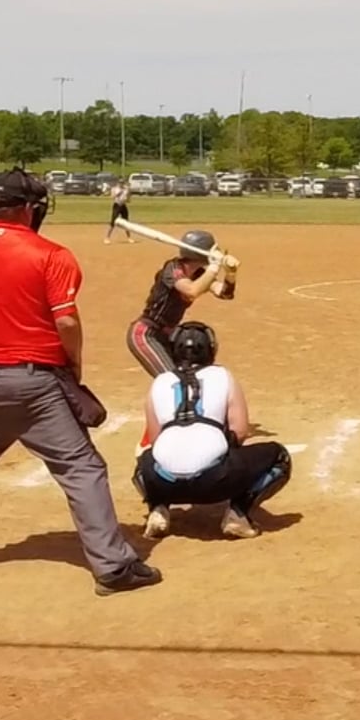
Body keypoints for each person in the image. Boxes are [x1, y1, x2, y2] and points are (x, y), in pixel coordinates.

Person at [0, 167, 160, 597]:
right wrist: (72, 363)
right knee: (82, 468)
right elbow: (66, 321)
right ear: (28, 209)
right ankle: (113, 567)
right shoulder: (51, 255)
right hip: (36, 386)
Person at [133, 322, 292, 540]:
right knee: (279, 457)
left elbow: (155, 440)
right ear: (211, 350)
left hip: (163, 483)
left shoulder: (159, 381)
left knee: (143, 462)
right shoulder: (223, 375)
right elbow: (240, 432)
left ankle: (158, 509)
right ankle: (239, 513)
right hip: (215, 483)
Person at [126, 230, 229, 376]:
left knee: (189, 376)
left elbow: (224, 293)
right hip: (146, 334)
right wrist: (214, 267)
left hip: (169, 336)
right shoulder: (173, 268)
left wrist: (231, 274)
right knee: (173, 379)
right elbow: (191, 291)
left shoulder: (199, 274)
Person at [103, 180, 135, 244]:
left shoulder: (126, 189)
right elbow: (113, 197)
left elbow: (128, 200)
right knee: (113, 222)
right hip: (117, 205)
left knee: (126, 222)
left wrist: (129, 194)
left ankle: (129, 238)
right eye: (120, 183)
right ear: (118, 183)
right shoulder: (115, 189)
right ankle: (107, 238)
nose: (121, 184)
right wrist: (119, 193)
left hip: (123, 206)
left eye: (122, 183)